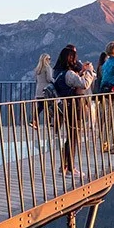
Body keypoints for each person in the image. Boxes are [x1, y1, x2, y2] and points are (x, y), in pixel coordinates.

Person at [52, 45, 88, 175]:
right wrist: (88, 72)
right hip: (74, 106)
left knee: (70, 137)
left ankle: (65, 165)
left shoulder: (57, 72)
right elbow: (84, 84)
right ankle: (69, 167)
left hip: (64, 105)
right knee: (73, 136)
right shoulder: (68, 73)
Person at [32, 53, 54, 128]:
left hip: (38, 90)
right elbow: (49, 78)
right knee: (49, 106)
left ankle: (34, 121)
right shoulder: (47, 68)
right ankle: (49, 122)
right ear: (46, 60)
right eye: (49, 59)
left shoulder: (38, 69)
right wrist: (54, 81)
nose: (50, 60)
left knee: (40, 107)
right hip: (46, 90)